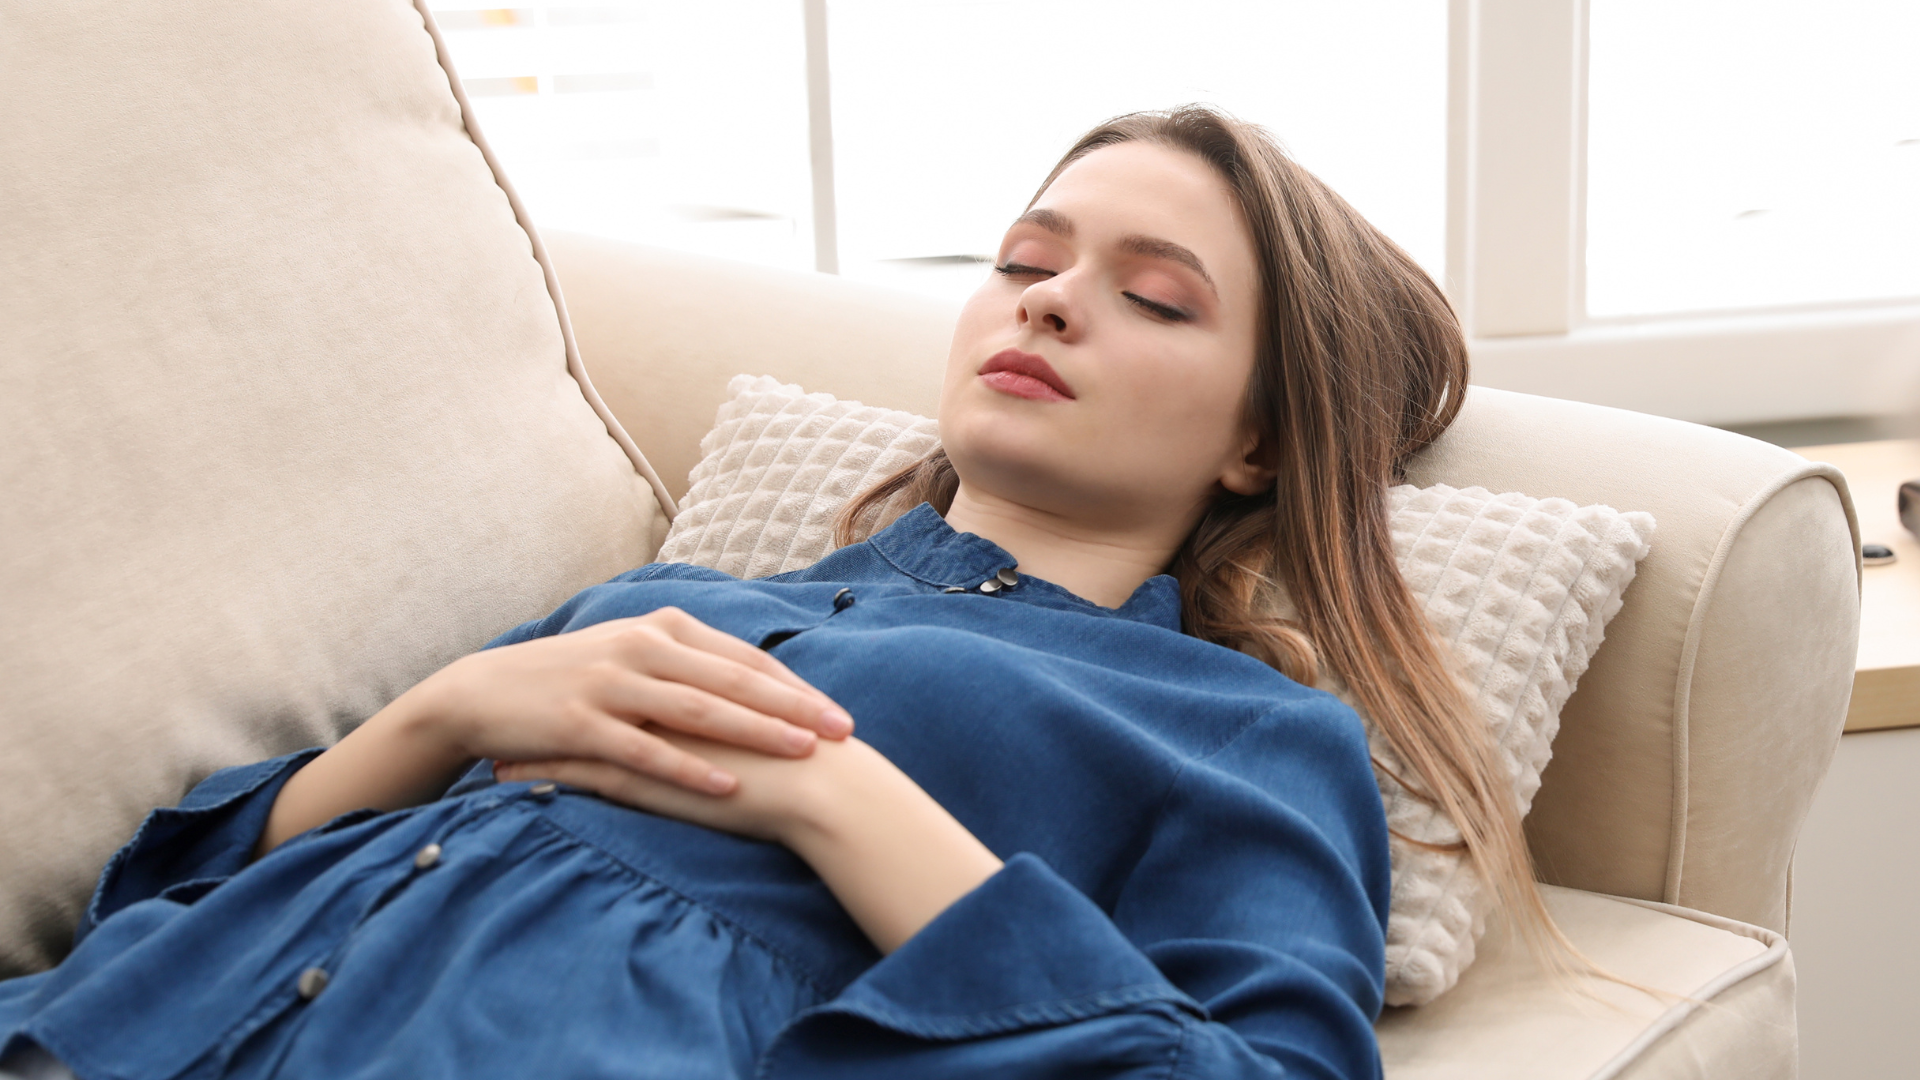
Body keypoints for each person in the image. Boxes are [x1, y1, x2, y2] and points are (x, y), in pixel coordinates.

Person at [0, 105, 1543, 1080]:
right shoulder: (670, 598)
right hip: (124, 1019)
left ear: (1260, 441)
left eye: (1152, 296)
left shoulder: (1238, 731)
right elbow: (151, 896)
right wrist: (446, 712)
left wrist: (832, 797)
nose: (1053, 302)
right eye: (1025, 262)